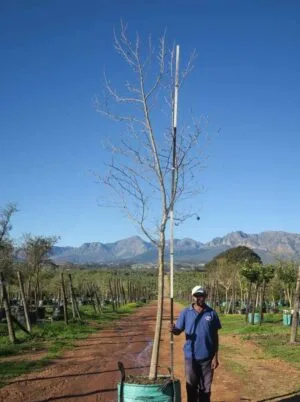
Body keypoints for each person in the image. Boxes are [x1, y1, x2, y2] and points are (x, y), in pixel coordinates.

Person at [170, 285, 221, 402]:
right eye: (197, 296)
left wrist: (215, 357)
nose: (200, 298)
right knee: (191, 386)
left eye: (202, 295)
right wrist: (173, 329)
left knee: (206, 388)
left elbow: (215, 336)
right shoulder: (185, 313)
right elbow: (178, 331)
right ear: (193, 297)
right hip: (190, 357)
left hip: (207, 358)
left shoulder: (211, 313)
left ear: (206, 296)